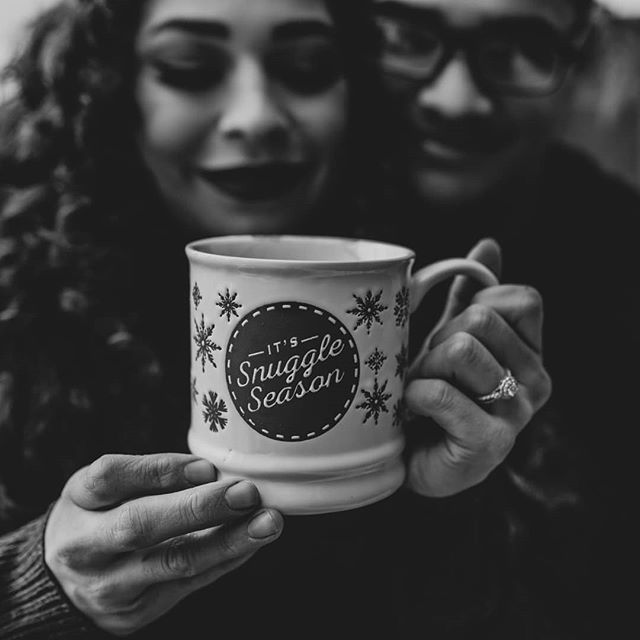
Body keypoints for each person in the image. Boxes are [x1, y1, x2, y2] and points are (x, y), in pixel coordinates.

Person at [0, 0, 551, 638]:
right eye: (189, 67)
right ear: (112, 91)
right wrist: (40, 581)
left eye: (308, 67)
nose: (256, 116)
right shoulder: (16, 301)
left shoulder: (433, 259)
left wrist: (477, 458)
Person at [370, 0, 640, 636]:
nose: (455, 99)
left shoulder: (623, 260)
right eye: (409, 34)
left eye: (519, 49)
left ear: (581, 58)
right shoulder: (262, 232)